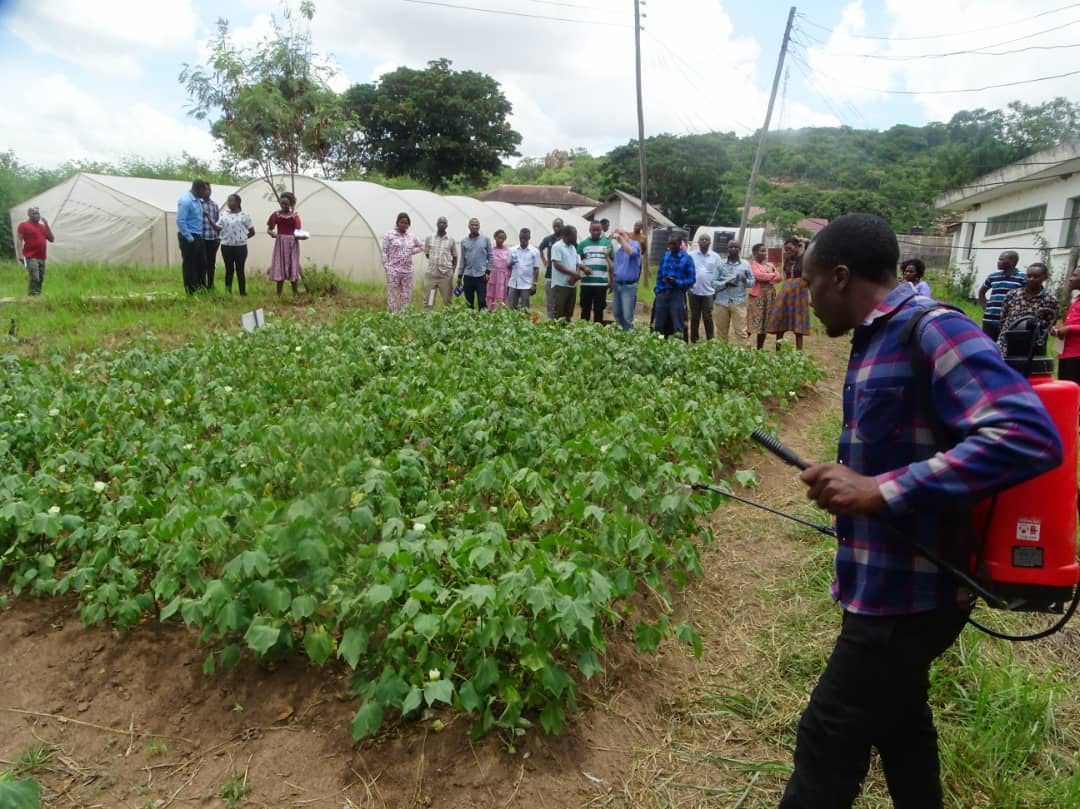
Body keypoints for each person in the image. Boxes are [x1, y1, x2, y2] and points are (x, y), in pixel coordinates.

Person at [783, 213, 1062, 809]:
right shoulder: (876, 337)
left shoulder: (933, 329)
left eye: (807, 286)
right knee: (900, 723)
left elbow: (1027, 434)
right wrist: (854, 483)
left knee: (828, 737)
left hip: (914, 595)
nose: (806, 301)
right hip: (883, 579)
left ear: (839, 276)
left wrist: (880, 489)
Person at [996, 262, 1060, 357]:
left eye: (1036, 276)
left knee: (1026, 370)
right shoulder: (1012, 294)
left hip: (1031, 345)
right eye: (1029, 276)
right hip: (1007, 340)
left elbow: (1050, 324)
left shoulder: (1050, 300)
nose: (1031, 279)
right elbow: (1002, 317)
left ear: (1045, 278)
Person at [767, 237, 811, 350]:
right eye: (786, 249)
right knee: (780, 320)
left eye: (790, 248)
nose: (788, 251)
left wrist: (802, 241)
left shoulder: (804, 258)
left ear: (797, 247)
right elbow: (784, 275)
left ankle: (798, 353)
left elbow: (810, 244)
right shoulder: (787, 258)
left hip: (800, 293)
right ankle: (778, 351)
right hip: (786, 291)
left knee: (798, 323)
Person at [653, 233, 695, 338]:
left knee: (677, 325)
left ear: (680, 244)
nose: (671, 246)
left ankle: (676, 347)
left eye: (674, 244)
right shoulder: (666, 256)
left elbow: (692, 279)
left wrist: (677, 282)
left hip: (676, 294)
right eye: (670, 244)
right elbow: (659, 274)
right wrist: (657, 290)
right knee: (658, 325)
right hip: (662, 293)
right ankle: (658, 345)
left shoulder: (687, 259)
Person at [714, 239, 754, 346]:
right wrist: (725, 283)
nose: (733, 249)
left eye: (735, 247)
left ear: (740, 249)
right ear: (727, 249)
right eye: (731, 247)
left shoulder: (745, 264)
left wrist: (745, 280)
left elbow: (752, 282)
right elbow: (713, 282)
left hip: (739, 302)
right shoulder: (720, 263)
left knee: (741, 332)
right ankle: (722, 357)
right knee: (721, 333)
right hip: (721, 302)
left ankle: (744, 356)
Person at [977, 251, 1025, 341]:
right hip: (989, 319)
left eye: (1001, 259)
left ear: (1012, 262)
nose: (998, 262)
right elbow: (981, 292)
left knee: (1004, 346)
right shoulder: (993, 276)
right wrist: (985, 308)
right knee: (988, 344)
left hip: (1008, 321)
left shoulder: (1022, 277)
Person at [382, 212, 424, 313]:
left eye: (406, 223)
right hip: (393, 270)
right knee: (392, 293)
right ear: (397, 222)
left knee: (406, 293)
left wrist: (411, 251)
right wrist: (387, 267)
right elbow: (384, 251)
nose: (404, 225)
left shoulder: (411, 236)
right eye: (402, 222)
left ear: (408, 225)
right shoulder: (390, 235)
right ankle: (393, 314)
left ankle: (404, 314)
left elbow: (422, 246)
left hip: (407, 271)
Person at [217, 194, 255, 296]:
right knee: (229, 270)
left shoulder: (245, 216)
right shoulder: (224, 215)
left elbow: (252, 231)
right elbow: (218, 228)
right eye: (228, 201)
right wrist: (209, 220)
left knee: (240, 269)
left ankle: (242, 292)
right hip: (226, 246)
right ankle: (227, 292)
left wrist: (242, 238)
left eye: (231, 201)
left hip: (240, 247)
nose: (229, 203)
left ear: (238, 203)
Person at [267, 191, 302, 296]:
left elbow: (298, 230)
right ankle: (278, 294)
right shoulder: (276, 215)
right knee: (280, 265)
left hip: (292, 243)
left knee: (293, 264)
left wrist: (300, 236)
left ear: (291, 204)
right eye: (282, 203)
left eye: (286, 204)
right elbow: (269, 229)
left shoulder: (294, 216)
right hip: (280, 243)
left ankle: (295, 292)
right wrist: (272, 233)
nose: (284, 206)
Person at [748, 242, 782, 350]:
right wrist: (772, 275)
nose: (764, 253)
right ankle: (743, 346)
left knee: (764, 324)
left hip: (769, 298)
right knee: (753, 322)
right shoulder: (752, 264)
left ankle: (760, 349)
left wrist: (769, 276)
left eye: (765, 250)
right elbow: (758, 276)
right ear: (755, 253)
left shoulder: (770, 265)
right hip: (757, 297)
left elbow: (779, 277)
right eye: (761, 250)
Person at [177, 180, 209, 294]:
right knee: (190, 265)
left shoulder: (198, 201)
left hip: (198, 236)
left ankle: (201, 288)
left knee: (202, 263)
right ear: (198, 189)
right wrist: (189, 238)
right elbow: (180, 221)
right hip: (189, 237)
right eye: (204, 190)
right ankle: (191, 291)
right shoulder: (186, 201)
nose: (206, 192)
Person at [577, 221, 613, 323]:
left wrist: (612, 281)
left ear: (601, 230)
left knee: (599, 310)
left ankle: (597, 333)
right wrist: (584, 268)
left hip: (601, 284)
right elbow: (577, 262)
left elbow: (612, 264)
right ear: (589, 230)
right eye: (594, 230)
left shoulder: (607, 244)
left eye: (598, 230)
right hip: (586, 283)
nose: (596, 232)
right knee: (585, 309)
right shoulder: (582, 245)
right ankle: (583, 331)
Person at [688, 234, 721, 342]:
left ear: (710, 242)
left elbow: (719, 274)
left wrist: (716, 290)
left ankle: (710, 340)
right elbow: (687, 271)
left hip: (709, 292)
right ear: (698, 242)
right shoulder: (691, 255)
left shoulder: (715, 257)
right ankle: (694, 340)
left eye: (706, 240)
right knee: (694, 316)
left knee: (707, 316)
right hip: (694, 291)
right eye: (702, 239)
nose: (704, 241)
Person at [1051, 262, 1080, 384]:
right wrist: (1058, 329)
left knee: (1072, 390)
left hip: (1077, 354)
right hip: (1066, 353)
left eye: (1075, 276)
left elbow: (1073, 325)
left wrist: (1069, 329)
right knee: (1065, 386)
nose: (1070, 279)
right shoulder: (1077, 300)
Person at [15, 206, 55, 296]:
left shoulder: (43, 227)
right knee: (35, 277)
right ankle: (32, 297)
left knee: (40, 278)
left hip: (41, 257)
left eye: (38, 213)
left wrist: (47, 225)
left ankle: (37, 297)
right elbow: (19, 240)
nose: (37, 215)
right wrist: (20, 255)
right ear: (29, 215)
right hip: (30, 256)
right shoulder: (23, 225)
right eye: (34, 213)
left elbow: (52, 239)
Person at [457, 218, 493, 310]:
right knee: (469, 302)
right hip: (468, 275)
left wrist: (488, 272)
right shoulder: (464, 241)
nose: (474, 226)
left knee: (481, 301)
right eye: (472, 225)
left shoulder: (486, 239)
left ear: (479, 227)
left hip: (481, 275)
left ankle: (482, 321)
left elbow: (490, 257)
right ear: (469, 226)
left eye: (476, 225)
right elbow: (462, 260)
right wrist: (460, 275)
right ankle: (470, 321)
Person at [422, 217, 457, 311]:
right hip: (432, 275)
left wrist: (452, 271)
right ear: (437, 224)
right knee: (429, 299)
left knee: (447, 300)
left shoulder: (451, 240)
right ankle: (427, 318)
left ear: (447, 225)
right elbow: (427, 254)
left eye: (444, 223)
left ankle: (449, 321)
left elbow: (455, 257)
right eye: (440, 222)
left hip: (445, 276)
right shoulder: (430, 238)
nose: (442, 224)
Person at [610, 227, 642, 331]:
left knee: (627, 317)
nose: (619, 237)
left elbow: (631, 253)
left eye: (621, 234)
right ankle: (620, 338)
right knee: (617, 314)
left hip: (628, 286)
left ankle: (628, 338)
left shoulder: (635, 244)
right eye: (617, 234)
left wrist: (621, 239)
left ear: (627, 234)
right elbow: (614, 267)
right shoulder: (619, 251)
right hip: (617, 284)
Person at [549, 225, 582, 321]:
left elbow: (577, 263)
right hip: (560, 285)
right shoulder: (557, 247)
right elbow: (557, 264)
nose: (576, 237)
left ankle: (566, 333)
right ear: (566, 235)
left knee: (569, 313)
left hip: (572, 285)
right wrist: (573, 274)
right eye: (574, 235)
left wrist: (575, 275)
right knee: (559, 314)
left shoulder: (573, 247)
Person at [507, 228, 541, 311]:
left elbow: (536, 269)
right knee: (511, 306)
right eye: (521, 238)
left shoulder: (534, 251)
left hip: (527, 284)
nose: (523, 240)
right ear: (519, 237)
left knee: (525, 308)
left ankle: (524, 323)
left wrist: (534, 284)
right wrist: (511, 263)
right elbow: (508, 265)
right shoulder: (512, 250)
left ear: (529, 238)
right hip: (513, 283)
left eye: (525, 238)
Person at [538, 218, 564, 320]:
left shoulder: (566, 239)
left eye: (558, 226)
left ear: (563, 226)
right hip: (550, 273)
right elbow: (540, 248)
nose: (556, 228)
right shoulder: (549, 239)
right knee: (550, 300)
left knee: (560, 300)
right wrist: (544, 260)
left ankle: (559, 319)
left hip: (562, 274)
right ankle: (550, 320)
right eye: (554, 226)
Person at [202, 184, 222, 289]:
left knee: (211, 262)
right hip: (202, 238)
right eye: (205, 189)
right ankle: (202, 285)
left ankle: (211, 285)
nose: (207, 191)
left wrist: (218, 238)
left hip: (213, 238)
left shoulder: (214, 205)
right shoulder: (198, 204)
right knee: (202, 263)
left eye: (209, 189)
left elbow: (218, 222)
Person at [488, 229, 511, 310]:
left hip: (503, 277)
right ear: (495, 237)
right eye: (499, 237)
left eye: (502, 238)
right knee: (491, 293)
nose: (500, 240)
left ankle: (500, 311)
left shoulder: (508, 251)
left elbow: (510, 264)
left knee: (502, 294)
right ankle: (490, 310)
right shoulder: (491, 250)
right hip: (493, 276)